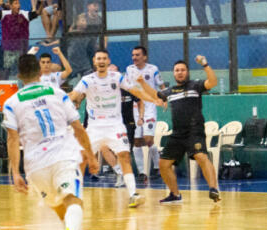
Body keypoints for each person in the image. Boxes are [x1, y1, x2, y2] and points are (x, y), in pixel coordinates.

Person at [3, 54, 108, 230]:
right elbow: (78, 128)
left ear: (19, 75)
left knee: (64, 213)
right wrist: (91, 156)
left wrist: (15, 172)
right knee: (74, 203)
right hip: (63, 156)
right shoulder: (57, 93)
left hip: (35, 167)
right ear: (41, 71)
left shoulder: (11, 102)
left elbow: (12, 139)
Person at [71, 49, 159, 206]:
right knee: (82, 158)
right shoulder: (87, 80)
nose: (101, 61)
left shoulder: (117, 77)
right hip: (94, 127)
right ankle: (75, 195)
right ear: (94, 61)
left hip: (115, 125)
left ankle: (133, 194)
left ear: (108, 61)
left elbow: (135, 90)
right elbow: (74, 94)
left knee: (124, 156)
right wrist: (65, 101)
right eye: (98, 58)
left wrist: (153, 99)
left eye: (104, 58)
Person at [139, 56, 221, 204]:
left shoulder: (195, 85)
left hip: (194, 130)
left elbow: (213, 82)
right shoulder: (170, 91)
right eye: (177, 70)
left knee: (201, 156)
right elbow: (155, 94)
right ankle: (175, 195)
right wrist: (141, 83)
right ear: (174, 73)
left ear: (187, 72)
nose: (180, 72)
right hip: (177, 133)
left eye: (182, 70)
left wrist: (205, 64)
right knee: (163, 164)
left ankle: (213, 189)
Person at [126, 46, 164, 181]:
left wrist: (164, 99)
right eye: (133, 55)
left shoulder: (153, 69)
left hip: (150, 107)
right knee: (136, 142)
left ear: (145, 57)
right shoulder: (129, 69)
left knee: (148, 139)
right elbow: (126, 86)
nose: (134, 57)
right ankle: (142, 172)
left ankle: (157, 167)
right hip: (135, 108)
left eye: (137, 55)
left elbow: (161, 86)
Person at [0, 0, 43, 78]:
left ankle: (24, 84)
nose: (18, 5)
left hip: (21, 48)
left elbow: (37, 13)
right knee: (7, 68)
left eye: (19, 3)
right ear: (10, 6)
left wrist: (42, 3)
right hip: (8, 47)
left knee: (23, 69)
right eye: (16, 3)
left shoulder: (25, 14)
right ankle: (4, 83)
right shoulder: (4, 14)